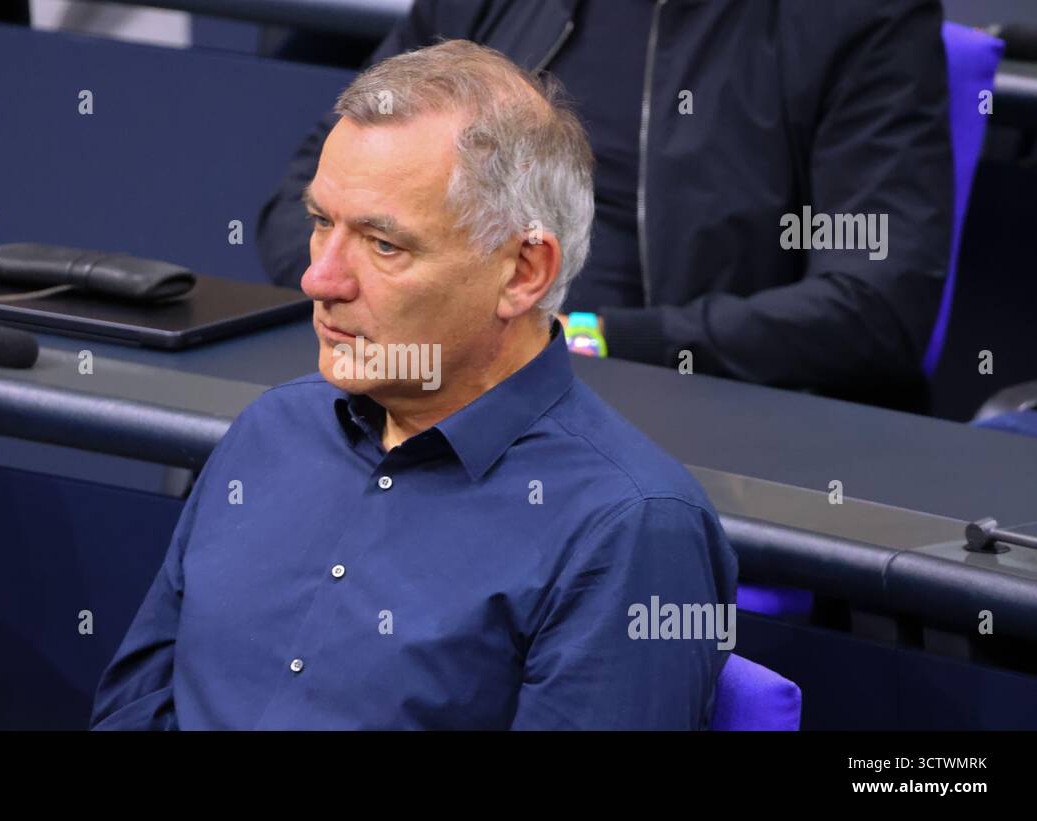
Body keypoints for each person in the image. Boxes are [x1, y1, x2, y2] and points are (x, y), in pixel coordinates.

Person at [91, 41, 736, 730]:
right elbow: (131, 709)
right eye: (320, 224)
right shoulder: (270, 431)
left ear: (523, 272)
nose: (320, 279)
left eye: (383, 244)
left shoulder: (631, 529)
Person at [257, 0, 953, 411]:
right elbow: (304, 198)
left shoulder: (855, 17)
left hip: (654, 409)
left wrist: (580, 338)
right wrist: (401, 324)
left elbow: (876, 307)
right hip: (419, 380)